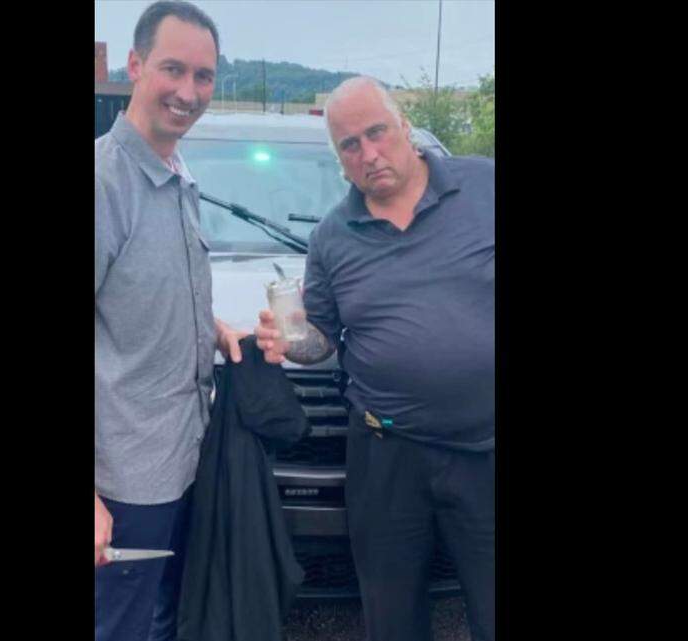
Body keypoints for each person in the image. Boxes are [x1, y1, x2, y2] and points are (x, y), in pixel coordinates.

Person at [254, 76, 496, 641]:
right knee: (391, 620)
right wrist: (291, 344)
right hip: (385, 458)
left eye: (376, 133)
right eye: (350, 145)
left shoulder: (483, 187)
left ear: (404, 125)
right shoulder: (333, 237)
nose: (369, 154)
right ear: (339, 158)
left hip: (484, 450)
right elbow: (322, 340)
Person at [94, 3, 245, 640]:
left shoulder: (178, 174)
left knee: (160, 616)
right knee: (120, 625)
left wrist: (213, 328)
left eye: (204, 76)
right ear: (135, 66)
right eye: (173, 69)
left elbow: (146, 290)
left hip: (182, 456)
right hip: (124, 480)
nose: (188, 92)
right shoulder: (105, 182)